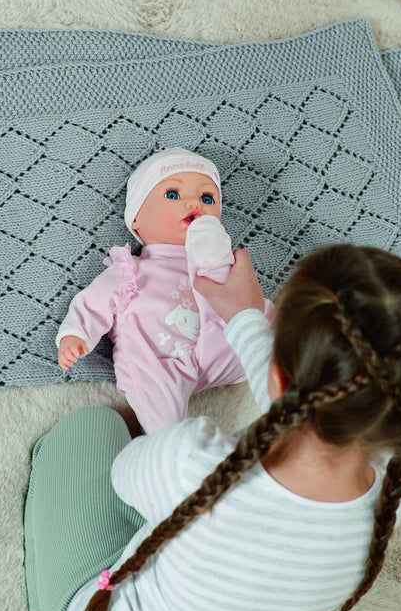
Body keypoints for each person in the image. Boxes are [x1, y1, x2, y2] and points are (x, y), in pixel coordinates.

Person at [24, 243, 401, 611]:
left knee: (89, 433)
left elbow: (125, 477)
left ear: (278, 380)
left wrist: (249, 324)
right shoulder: (392, 493)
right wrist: (245, 316)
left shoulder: (190, 460)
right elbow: (317, 414)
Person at [55, 147, 274, 434]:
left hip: (222, 345)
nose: (194, 202)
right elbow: (93, 302)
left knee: (267, 324)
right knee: (160, 416)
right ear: (136, 220)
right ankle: (171, 443)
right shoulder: (130, 269)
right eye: (173, 194)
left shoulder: (223, 262)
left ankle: (209, 241)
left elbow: (247, 307)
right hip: (158, 362)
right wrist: (75, 334)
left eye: (207, 198)